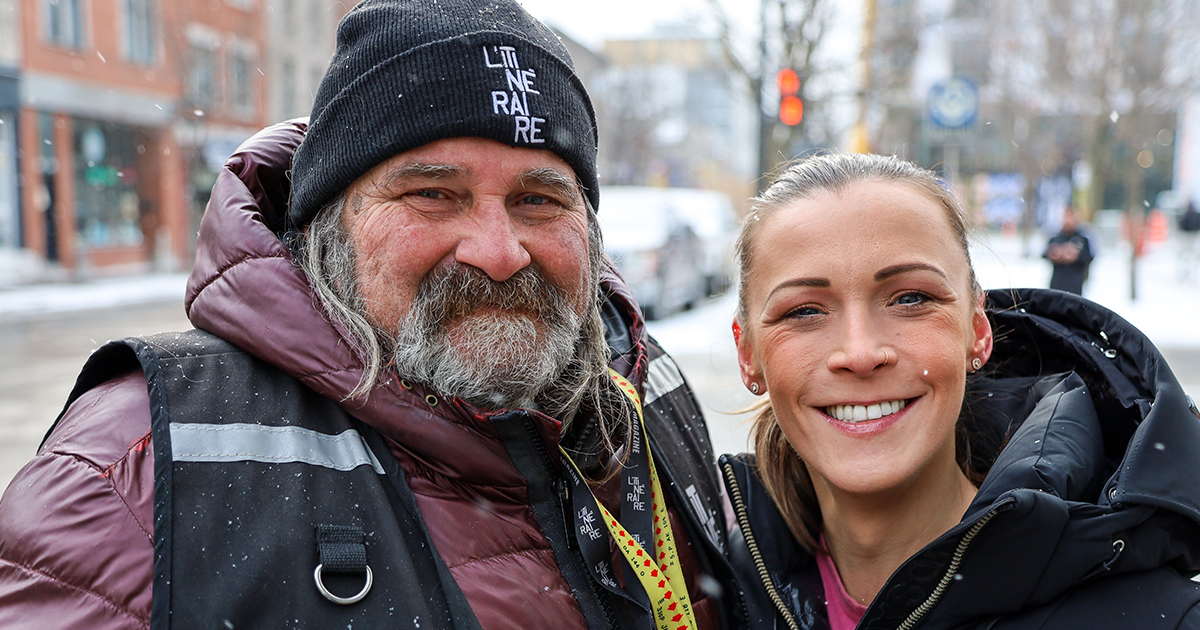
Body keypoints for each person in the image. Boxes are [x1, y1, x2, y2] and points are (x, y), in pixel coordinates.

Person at [0, 1, 735, 628]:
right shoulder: (139, 468)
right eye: (431, 194)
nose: (499, 251)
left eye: (538, 200)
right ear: (330, 227)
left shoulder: (641, 393)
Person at [720, 153, 1200, 630]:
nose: (861, 353)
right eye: (804, 311)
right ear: (749, 355)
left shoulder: (1162, 617)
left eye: (911, 298)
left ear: (977, 328)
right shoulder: (707, 597)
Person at [1042, 206, 1095, 295]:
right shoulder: (1056, 237)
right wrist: (1053, 254)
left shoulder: (1083, 238)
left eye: (1071, 216)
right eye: (1066, 216)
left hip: (1075, 285)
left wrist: (1075, 255)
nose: (1068, 220)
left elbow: (1090, 256)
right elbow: (1044, 254)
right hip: (1057, 285)